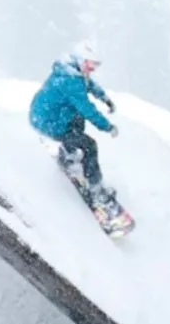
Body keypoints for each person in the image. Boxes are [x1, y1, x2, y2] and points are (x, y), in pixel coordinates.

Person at [29, 40, 119, 204]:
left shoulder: (70, 69)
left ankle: (68, 152)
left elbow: (89, 84)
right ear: (80, 59)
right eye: (91, 65)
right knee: (89, 145)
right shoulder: (70, 80)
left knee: (78, 121)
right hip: (48, 121)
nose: (92, 69)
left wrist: (104, 97)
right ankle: (96, 190)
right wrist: (108, 126)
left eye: (95, 66)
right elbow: (87, 108)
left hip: (47, 114)